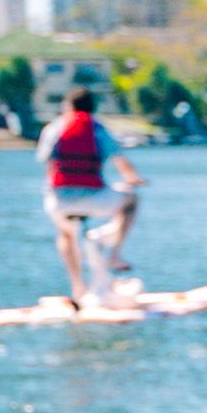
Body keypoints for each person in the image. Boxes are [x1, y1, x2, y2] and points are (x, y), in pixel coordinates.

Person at [38, 92, 141, 305]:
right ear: (93, 108)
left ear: (68, 106)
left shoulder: (54, 128)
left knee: (65, 235)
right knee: (131, 201)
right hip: (94, 198)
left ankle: (78, 287)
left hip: (58, 201)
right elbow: (121, 161)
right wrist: (133, 179)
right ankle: (115, 253)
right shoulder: (97, 129)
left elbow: (45, 159)